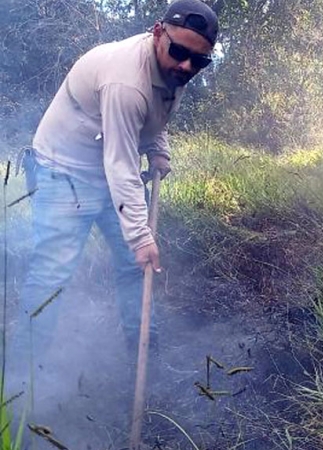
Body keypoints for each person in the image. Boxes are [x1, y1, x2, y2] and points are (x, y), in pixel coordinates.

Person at [7, 0, 219, 397]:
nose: (188, 66)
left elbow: (153, 118)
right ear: (159, 33)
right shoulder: (125, 81)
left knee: (135, 272)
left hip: (106, 172)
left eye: (200, 61)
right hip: (63, 173)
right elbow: (120, 162)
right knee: (51, 277)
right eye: (180, 53)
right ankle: (19, 384)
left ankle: (145, 365)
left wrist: (159, 149)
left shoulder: (174, 69)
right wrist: (140, 237)